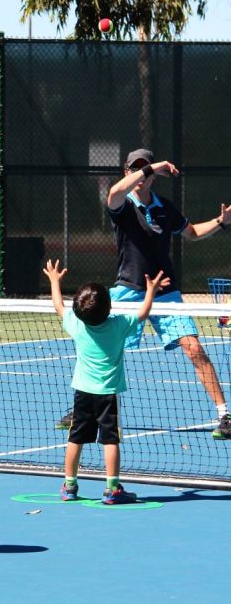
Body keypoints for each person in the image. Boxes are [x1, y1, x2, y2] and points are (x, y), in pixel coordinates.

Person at [56, 148, 231, 439]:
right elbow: (114, 192)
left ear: (152, 177)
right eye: (135, 169)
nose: (140, 175)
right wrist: (153, 167)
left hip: (166, 293)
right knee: (99, 345)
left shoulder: (165, 208)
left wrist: (222, 221)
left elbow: (192, 233)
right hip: (127, 291)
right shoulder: (122, 206)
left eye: (145, 169)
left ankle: (225, 415)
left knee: (195, 349)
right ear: (127, 172)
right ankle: (84, 409)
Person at [44, 259, 170, 504]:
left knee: (75, 438)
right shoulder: (119, 325)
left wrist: (54, 281)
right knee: (110, 440)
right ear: (109, 306)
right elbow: (143, 313)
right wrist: (151, 291)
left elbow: (58, 306)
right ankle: (112, 489)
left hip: (82, 392)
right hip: (107, 394)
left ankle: (70, 487)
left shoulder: (75, 323)